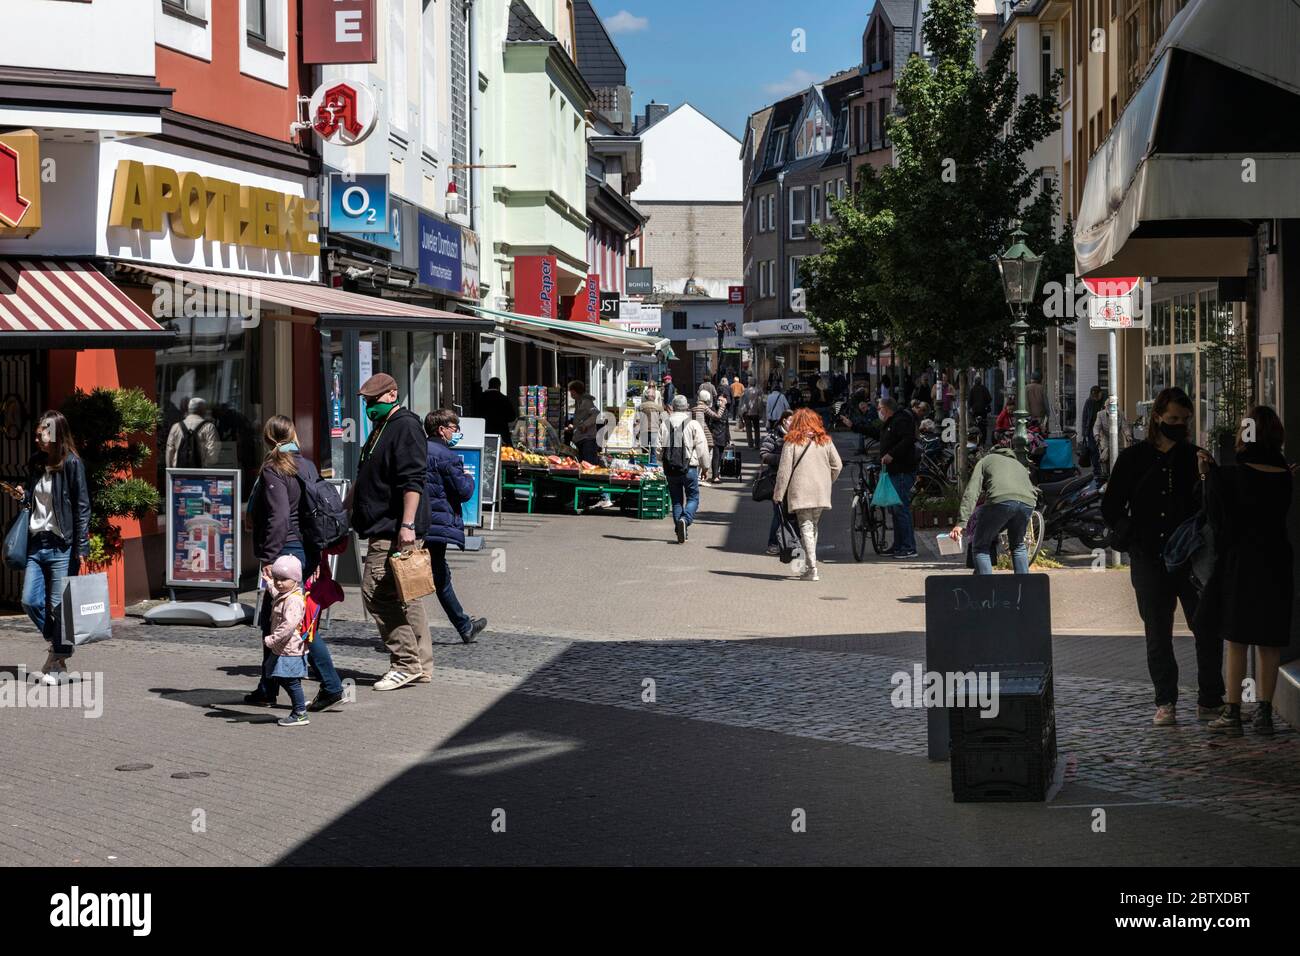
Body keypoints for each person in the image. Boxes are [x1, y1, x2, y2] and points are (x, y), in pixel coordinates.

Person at [1101, 386, 1223, 727]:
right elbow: (1110, 507)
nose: (1179, 425)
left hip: (1190, 559)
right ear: (1157, 417)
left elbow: (1211, 508)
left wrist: (1207, 476)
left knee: (1206, 629)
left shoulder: (1195, 456)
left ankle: (1210, 700)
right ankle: (1166, 701)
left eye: (1184, 420)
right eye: (1172, 419)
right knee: (1158, 633)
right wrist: (1132, 531)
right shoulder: (1133, 458)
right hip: (1149, 557)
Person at [1199, 406, 1292, 737]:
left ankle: (1233, 711)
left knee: (1236, 638)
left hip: (1241, 562)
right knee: (1269, 640)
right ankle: (1265, 713)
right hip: (1277, 561)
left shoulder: (1230, 475)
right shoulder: (1285, 475)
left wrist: (1208, 475)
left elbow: (1217, 520)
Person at [244, 415, 346, 713]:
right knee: (271, 619)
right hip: (305, 548)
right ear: (293, 435)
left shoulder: (274, 468)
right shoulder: (308, 465)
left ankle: (331, 685)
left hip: (285, 551)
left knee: (297, 622)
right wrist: (315, 556)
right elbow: (310, 513)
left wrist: (267, 557)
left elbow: (278, 517)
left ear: (267, 438)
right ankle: (267, 687)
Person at [350, 372, 434, 693]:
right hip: (384, 524)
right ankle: (421, 665)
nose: (369, 406)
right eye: (366, 402)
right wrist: (349, 500)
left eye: (374, 400)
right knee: (406, 594)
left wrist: (407, 525)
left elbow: (413, 479)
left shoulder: (406, 426)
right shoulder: (381, 427)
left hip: (394, 528)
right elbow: (367, 471)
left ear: (392, 395)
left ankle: (405, 663)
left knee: (375, 593)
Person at [18, 411, 90, 686]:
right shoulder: (37, 463)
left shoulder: (72, 463)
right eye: (37, 434)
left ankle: (57, 662)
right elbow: (35, 499)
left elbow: (82, 506)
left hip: (61, 546)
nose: (37, 439)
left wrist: (81, 546)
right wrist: (23, 495)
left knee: (59, 606)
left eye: (41, 434)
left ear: (56, 434)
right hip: (37, 544)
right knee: (30, 601)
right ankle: (60, 647)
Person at [423, 409, 488, 644]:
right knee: (436, 575)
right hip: (436, 524)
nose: (456, 433)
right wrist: (469, 477)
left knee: (438, 573)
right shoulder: (447, 457)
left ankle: (464, 624)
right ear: (441, 429)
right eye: (454, 428)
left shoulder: (416, 450)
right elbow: (464, 491)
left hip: (418, 522)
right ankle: (463, 626)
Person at [773, 408, 843, 581]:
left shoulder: (792, 442)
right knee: (812, 526)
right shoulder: (825, 441)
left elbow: (784, 472)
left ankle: (812, 568)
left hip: (801, 491)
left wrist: (778, 494)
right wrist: (827, 481)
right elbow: (838, 465)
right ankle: (810, 565)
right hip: (821, 491)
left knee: (805, 525)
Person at [951, 444, 1037, 574]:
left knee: (980, 546)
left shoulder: (986, 460)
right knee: (1018, 546)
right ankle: (1023, 590)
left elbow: (972, 491)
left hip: (1000, 501)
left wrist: (961, 523)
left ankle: (986, 590)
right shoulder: (1019, 464)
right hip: (1027, 503)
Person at [262, 554, 311, 727]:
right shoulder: (285, 593)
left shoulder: (294, 600)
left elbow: (289, 625)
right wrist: (269, 581)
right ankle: (299, 703)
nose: (279, 583)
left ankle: (300, 712)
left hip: (289, 649)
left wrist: (272, 639)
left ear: (296, 579)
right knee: (280, 676)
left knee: (290, 680)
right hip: (282, 648)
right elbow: (275, 593)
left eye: (283, 579)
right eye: (276, 578)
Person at [659, 394, 710, 543]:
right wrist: (705, 468)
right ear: (687, 407)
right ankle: (685, 520)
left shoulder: (665, 424)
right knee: (693, 497)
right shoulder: (693, 424)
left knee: (676, 500)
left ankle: (681, 530)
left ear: (673, 407)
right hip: (690, 467)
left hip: (670, 469)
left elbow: (657, 449)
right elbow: (702, 448)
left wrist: (663, 460)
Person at [877, 397, 918, 559]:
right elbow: (882, 437)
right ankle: (899, 545)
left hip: (901, 470)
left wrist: (891, 455)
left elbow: (908, 439)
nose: (878, 411)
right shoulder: (892, 422)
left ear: (887, 409)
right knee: (895, 509)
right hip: (894, 470)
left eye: (879, 408)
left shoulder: (900, 420)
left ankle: (908, 547)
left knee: (901, 509)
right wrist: (856, 426)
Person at [760, 408, 796, 554]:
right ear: (784, 421)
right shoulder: (774, 436)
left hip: (794, 481)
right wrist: (783, 459)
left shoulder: (797, 437)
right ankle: (773, 543)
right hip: (777, 479)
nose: (793, 424)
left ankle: (789, 542)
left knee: (792, 513)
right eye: (791, 421)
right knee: (779, 513)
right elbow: (764, 454)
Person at [165, 397, 219, 468]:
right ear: (203, 410)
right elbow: (212, 454)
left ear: (189, 409)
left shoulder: (176, 427)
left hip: (178, 472)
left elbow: (170, 451)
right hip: (200, 473)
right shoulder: (209, 427)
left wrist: (170, 470)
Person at [1093, 399, 1129, 476]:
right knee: (1107, 460)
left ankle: (1117, 476)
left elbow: (1125, 427)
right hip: (1105, 440)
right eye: (1109, 407)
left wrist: (1128, 435)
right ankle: (1107, 476)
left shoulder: (1120, 414)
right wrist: (1097, 436)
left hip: (1118, 441)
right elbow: (1096, 427)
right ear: (1106, 407)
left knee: (1119, 461)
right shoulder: (1100, 414)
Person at [477, 377, 517, 446]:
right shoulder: (504, 399)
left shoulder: (480, 398)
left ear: (489, 385)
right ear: (499, 386)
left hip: (484, 433)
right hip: (501, 434)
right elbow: (512, 417)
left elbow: (475, 415)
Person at [704, 394, 730, 485]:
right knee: (716, 456)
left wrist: (728, 438)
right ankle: (715, 476)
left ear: (725, 402)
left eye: (721, 400)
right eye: (718, 400)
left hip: (722, 436)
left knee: (720, 457)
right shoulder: (714, 409)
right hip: (714, 436)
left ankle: (717, 474)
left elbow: (726, 425)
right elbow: (715, 421)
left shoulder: (725, 410)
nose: (719, 401)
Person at [1079, 385, 1103, 476]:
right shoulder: (1089, 401)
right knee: (1093, 450)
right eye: (1094, 397)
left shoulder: (1105, 401)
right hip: (1091, 430)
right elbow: (1085, 417)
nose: (1095, 398)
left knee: (1102, 450)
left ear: (1100, 393)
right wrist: (1084, 433)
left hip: (1102, 430)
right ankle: (1097, 470)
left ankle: (1102, 469)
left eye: (1097, 396)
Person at [639, 383, 665, 466]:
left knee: (644, 452)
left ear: (646, 397)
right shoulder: (658, 407)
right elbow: (664, 420)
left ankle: (644, 467)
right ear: (654, 397)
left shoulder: (640, 407)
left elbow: (637, 420)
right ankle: (652, 469)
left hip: (644, 430)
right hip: (654, 430)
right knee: (654, 452)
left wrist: (636, 433)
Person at [739, 382, 763, 448]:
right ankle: (757, 444)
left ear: (749, 384)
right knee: (757, 429)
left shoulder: (745, 391)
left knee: (748, 429)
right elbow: (760, 402)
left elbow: (741, 402)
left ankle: (750, 444)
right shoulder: (758, 391)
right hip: (755, 413)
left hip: (746, 412)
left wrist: (740, 413)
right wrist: (760, 412)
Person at [969, 376, 992, 441]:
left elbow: (970, 401)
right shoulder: (984, 388)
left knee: (975, 425)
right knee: (983, 426)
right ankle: (983, 440)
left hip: (975, 411)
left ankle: (976, 439)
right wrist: (985, 404)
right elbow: (989, 399)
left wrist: (972, 407)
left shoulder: (972, 389)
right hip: (983, 411)